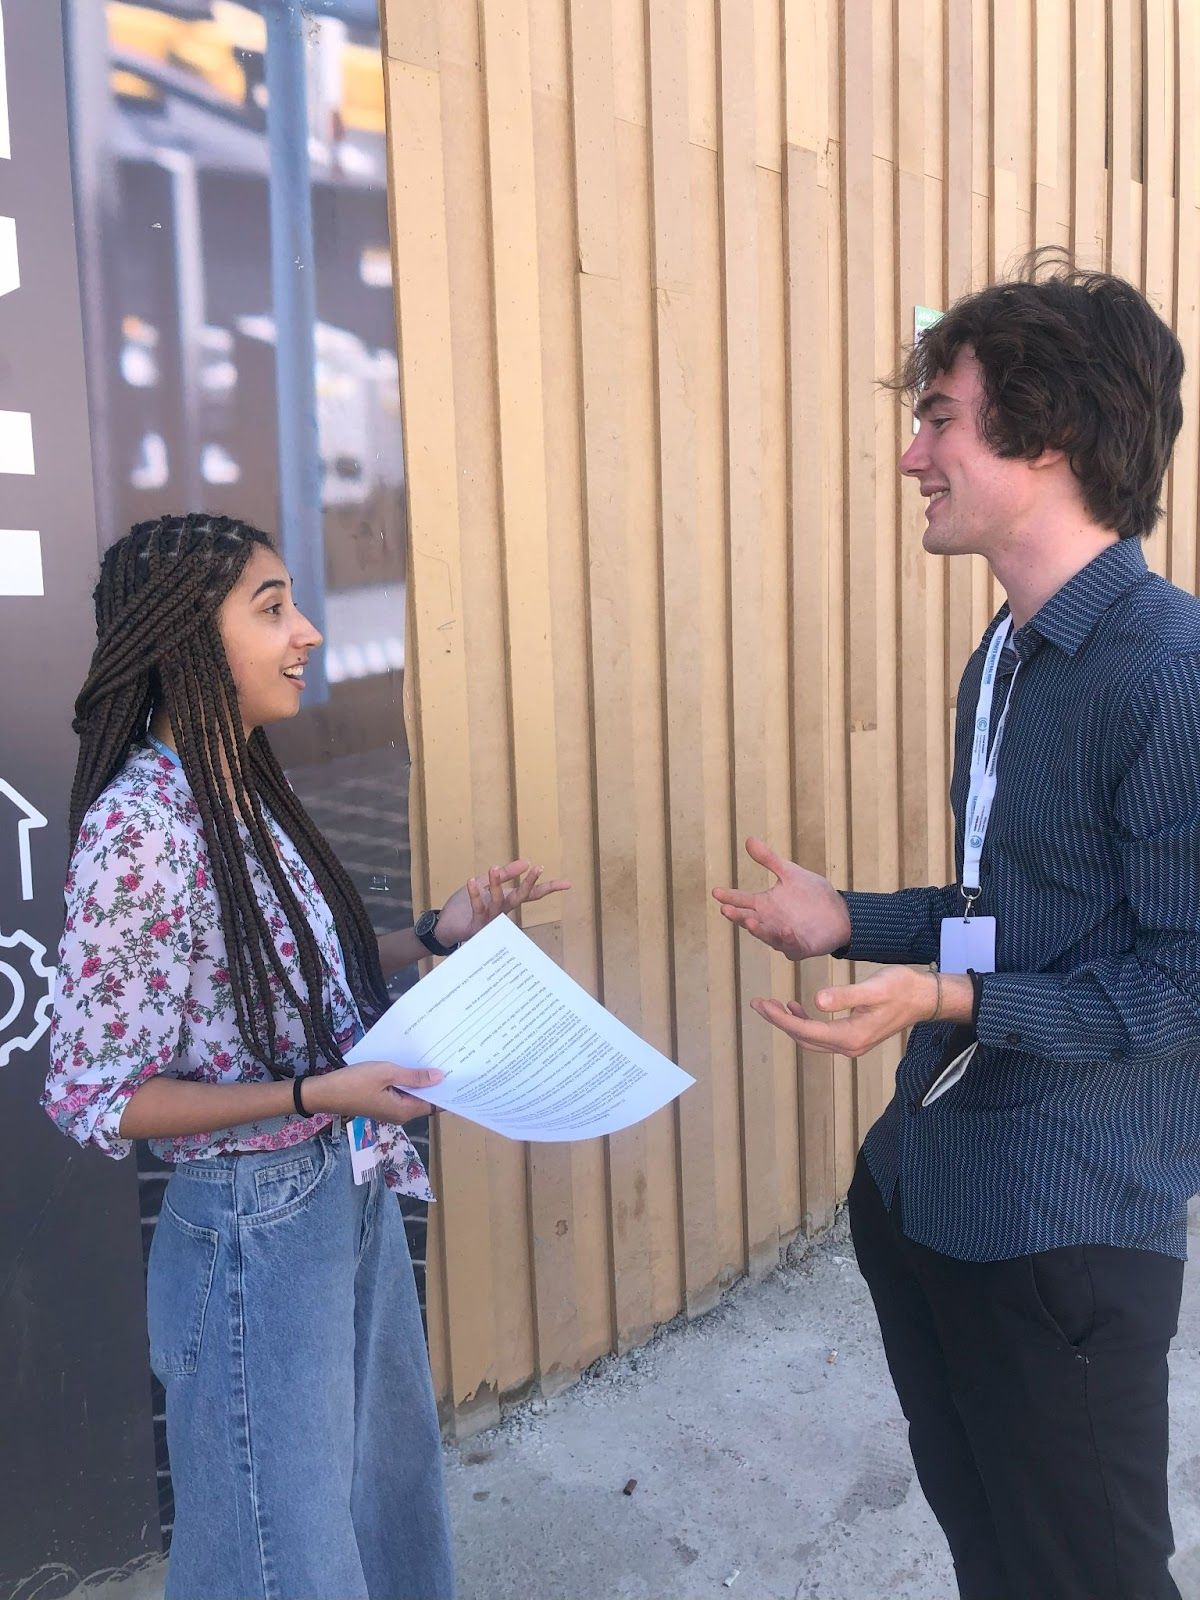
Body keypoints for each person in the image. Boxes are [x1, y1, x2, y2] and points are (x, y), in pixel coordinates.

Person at [713, 261, 1200, 1599]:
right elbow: (1009, 923)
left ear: (1043, 441)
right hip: (930, 1191)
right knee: (998, 1560)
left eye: (942, 419)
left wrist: (951, 1002)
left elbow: (1180, 988)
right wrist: (849, 922)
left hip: (1064, 1232)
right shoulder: (1009, 655)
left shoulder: (1169, 677)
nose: (911, 454)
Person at [43, 513, 569, 1600]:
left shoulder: (241, 781)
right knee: (277, 1558)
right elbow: (98, 1093)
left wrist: (438, 932)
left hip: (343, 1193)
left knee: (384, 1506)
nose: (309, 632)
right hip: (250, 1235)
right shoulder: (139, 828)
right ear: (187, 636)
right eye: (272, 608)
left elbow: (285, 965)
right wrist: (308, 1092)